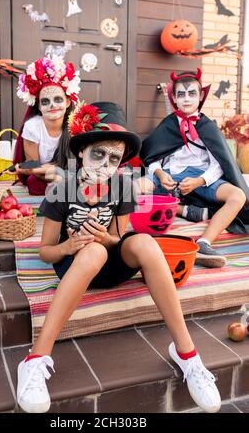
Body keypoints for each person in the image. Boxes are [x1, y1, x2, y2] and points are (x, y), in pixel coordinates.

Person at [16, 101, 221, 414]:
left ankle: (188, 355)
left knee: (147, 244)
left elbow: (119, 238)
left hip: (109, 260)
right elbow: (45, 252)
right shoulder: (61, 190)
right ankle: (35, 360)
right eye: (98, 154)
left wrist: (106, 238)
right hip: (74, 263)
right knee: (93, 250)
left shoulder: (121, 187)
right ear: (81, 153)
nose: (105, 164)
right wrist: (69, 247)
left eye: (114, 158)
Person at [139, 69, 249, 268]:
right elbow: (152, 157)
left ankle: (204, 243)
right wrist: (159, 173)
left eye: (192, 94)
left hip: (201, 178)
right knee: (135, 187)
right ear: (174, 98)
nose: (186, 99)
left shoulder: (208, 126)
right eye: (181, 94)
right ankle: (179, 211)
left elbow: (219, 162)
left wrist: (201, 181)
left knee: (238, 196)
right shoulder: (168, 125)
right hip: (169, 176)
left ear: (200, 97)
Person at [12, 51, 81, 195]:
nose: (52, 105)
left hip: (69, 172)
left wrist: (58, 172)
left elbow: (74, 165)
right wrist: (57, 175)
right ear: (39, 106)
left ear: (67, 102)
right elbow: (32, 167)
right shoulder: (32, 127)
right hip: (42, 175)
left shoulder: (75, 126)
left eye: (58, 99)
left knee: (79, 178)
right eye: (45, 101)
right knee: (33, 183)